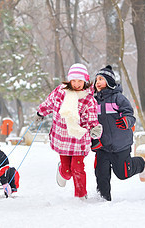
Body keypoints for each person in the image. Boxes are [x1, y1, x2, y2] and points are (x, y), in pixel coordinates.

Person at [34, 63, 102, 199]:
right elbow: (49, 103)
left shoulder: (88, 99)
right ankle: (62, 169)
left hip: (79, 140)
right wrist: (40, 113)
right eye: (74, 80)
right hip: (62, 139)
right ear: (69, 80)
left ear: (85, 81)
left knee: (77, 168)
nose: (76, 84)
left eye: (80, 81)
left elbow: (92, 117)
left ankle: (81, 196)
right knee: (67, 172)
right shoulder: (60, 91)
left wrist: (94, 127)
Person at [92, 65, 145, 201]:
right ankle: (103, 198)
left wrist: (126, 121)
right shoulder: (93, 101)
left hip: (120, 144)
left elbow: (130, 114)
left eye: (101, 79)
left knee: (123, 173)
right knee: (101, 173)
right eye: (96, 79)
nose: (97, 82)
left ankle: (141, 163)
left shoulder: (118, 98)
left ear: (109, 81)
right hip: (102, 145)